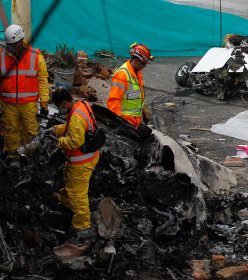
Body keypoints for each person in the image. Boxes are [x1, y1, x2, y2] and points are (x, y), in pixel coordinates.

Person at [48, 88, 99, 242]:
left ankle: (83, 226)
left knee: (78, 194)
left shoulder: (76, 115)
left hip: (81, 161)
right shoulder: (82, 105)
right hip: (88, 157)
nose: (60, 109)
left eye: (59, 106)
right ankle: (64, 199)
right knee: (70, 181)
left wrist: (59, 141)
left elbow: (75, 141)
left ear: (64, 103)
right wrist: (56, 129)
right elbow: (74, 128)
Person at [0, 24, 49, 166]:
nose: (10, 48)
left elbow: (42, 79)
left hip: (28, 103)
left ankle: (28, 157)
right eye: (9, 45)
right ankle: (13, 156)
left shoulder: (35, 56)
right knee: (11, 130)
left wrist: (44, 103)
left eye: (13, 45)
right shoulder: (2, 56)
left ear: (20, 41)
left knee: (30, 130)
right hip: (8, 102)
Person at [107, 43, 154, 127]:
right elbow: (114, 103)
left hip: (135, 122)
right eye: (143, 64)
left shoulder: (137, 73)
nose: (144, 67)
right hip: (126, 123)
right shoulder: (122, 74)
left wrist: (143, 109)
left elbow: (138, 94)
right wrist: (120, 123)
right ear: (136, 61)